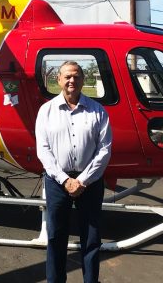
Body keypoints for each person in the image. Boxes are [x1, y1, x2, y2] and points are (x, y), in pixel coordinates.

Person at [36, 61, 112, 283]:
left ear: (83, 80)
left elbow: (104, 150)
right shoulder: (46, 111)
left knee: (91, 238)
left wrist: (82, 180)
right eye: (67, 76)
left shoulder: (98, 111)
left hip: (90, 182)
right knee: (56, 236)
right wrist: (65, 180)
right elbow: (43, 149)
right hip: (56, 182)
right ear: (58, 80)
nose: (72, 80)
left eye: (77, 76)